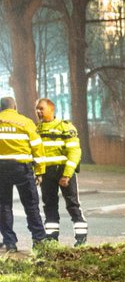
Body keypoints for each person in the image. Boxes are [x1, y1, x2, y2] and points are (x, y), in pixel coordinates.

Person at [34, 98, 87, 245]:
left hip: (63, 170)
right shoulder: (36, 130)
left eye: (41, 108)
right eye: (37, 108)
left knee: (72, 204)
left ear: (51, 109)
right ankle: (52, 239)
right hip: (46, 173)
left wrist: (67, 174)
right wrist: (38, 173)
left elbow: (74, 152)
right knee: (49, 206)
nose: (38, 111)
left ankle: (81, 237)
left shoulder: (65, 127)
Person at [0, 97, 49, 252]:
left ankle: (10, 243)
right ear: (15, 107)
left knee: (4, 206)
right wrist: (40, 172)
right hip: (22, 169)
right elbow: (37, 148)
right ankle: (39, 240)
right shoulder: (26, 122)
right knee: (31, 205)